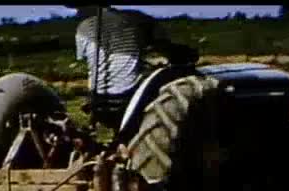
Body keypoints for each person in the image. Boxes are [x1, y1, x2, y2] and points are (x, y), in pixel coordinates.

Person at [66, 5, 199, 128]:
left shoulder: (82, 28)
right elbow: (161, 47)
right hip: (128, 96)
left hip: (98, 98)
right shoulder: (134, 19)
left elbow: (86, 59)